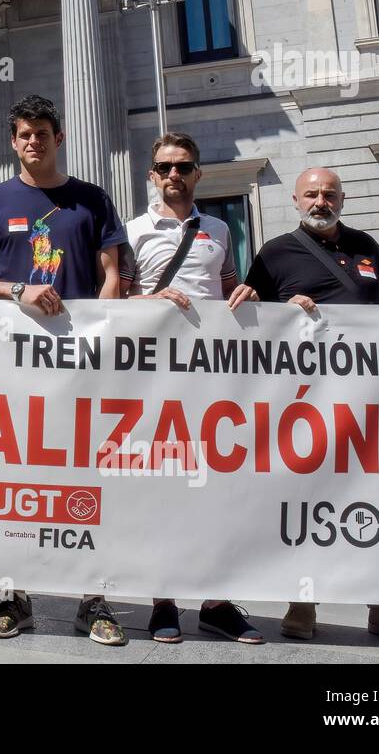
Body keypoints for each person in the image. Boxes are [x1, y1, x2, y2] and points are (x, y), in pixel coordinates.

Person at [228, 167, 379, 648]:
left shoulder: (366, 245)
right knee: (308, 499)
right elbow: (248, 319)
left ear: (341, 199)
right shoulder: (275, 253)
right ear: (295, 199)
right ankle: (302, 601)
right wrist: (286, 311)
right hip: (306, 403)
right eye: (312, 194)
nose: (320, 201)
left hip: (370, 402)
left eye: (329, 194)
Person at [0, 95, 128, 644]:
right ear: (13, 142)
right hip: (14, 365)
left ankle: (93, 601)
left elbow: (111, 277)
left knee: (87, 479)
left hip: (81, 363)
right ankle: (14, 598)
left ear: (60, 138)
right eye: (25, 134)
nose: (34, 142)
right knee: (14, 480)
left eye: (43, 133)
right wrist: (19, 289)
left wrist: (97, 333)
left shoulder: (91, 199)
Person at [120, 132, 263, 644]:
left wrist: (245, 290)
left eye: (184, 167)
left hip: (214, 377)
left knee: (216, 488)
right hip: (157, 376)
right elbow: (115, 303)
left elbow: (227, 289)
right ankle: (163, 602)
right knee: (164, 487)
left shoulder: (220, 229)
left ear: (198, 174)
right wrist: (152, 299)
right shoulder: (133, 231)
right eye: (165, 167)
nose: (174, 175)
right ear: (152, 176)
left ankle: (217, 603)